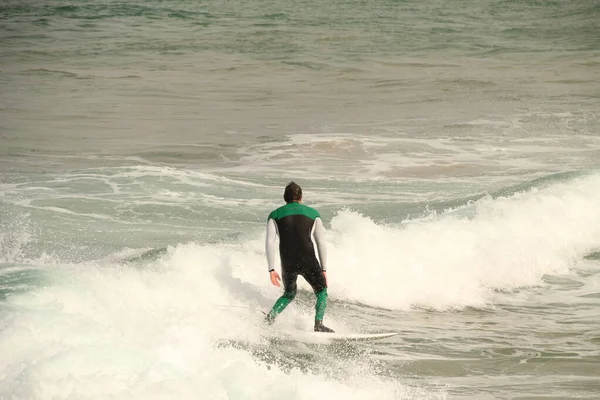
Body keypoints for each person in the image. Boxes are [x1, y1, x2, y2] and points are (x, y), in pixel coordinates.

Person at [264, 182, 334, 332]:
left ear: (285, 198)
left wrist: (271, 269)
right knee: (322, 292)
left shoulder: (274, 215)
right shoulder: (313, 214)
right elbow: (321, 243)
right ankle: (318, 324)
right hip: (308, 260)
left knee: (289, 294)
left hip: (287, 262)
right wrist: (324, 269)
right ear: (301, 197)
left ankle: (269, 319)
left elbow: (270, 243)